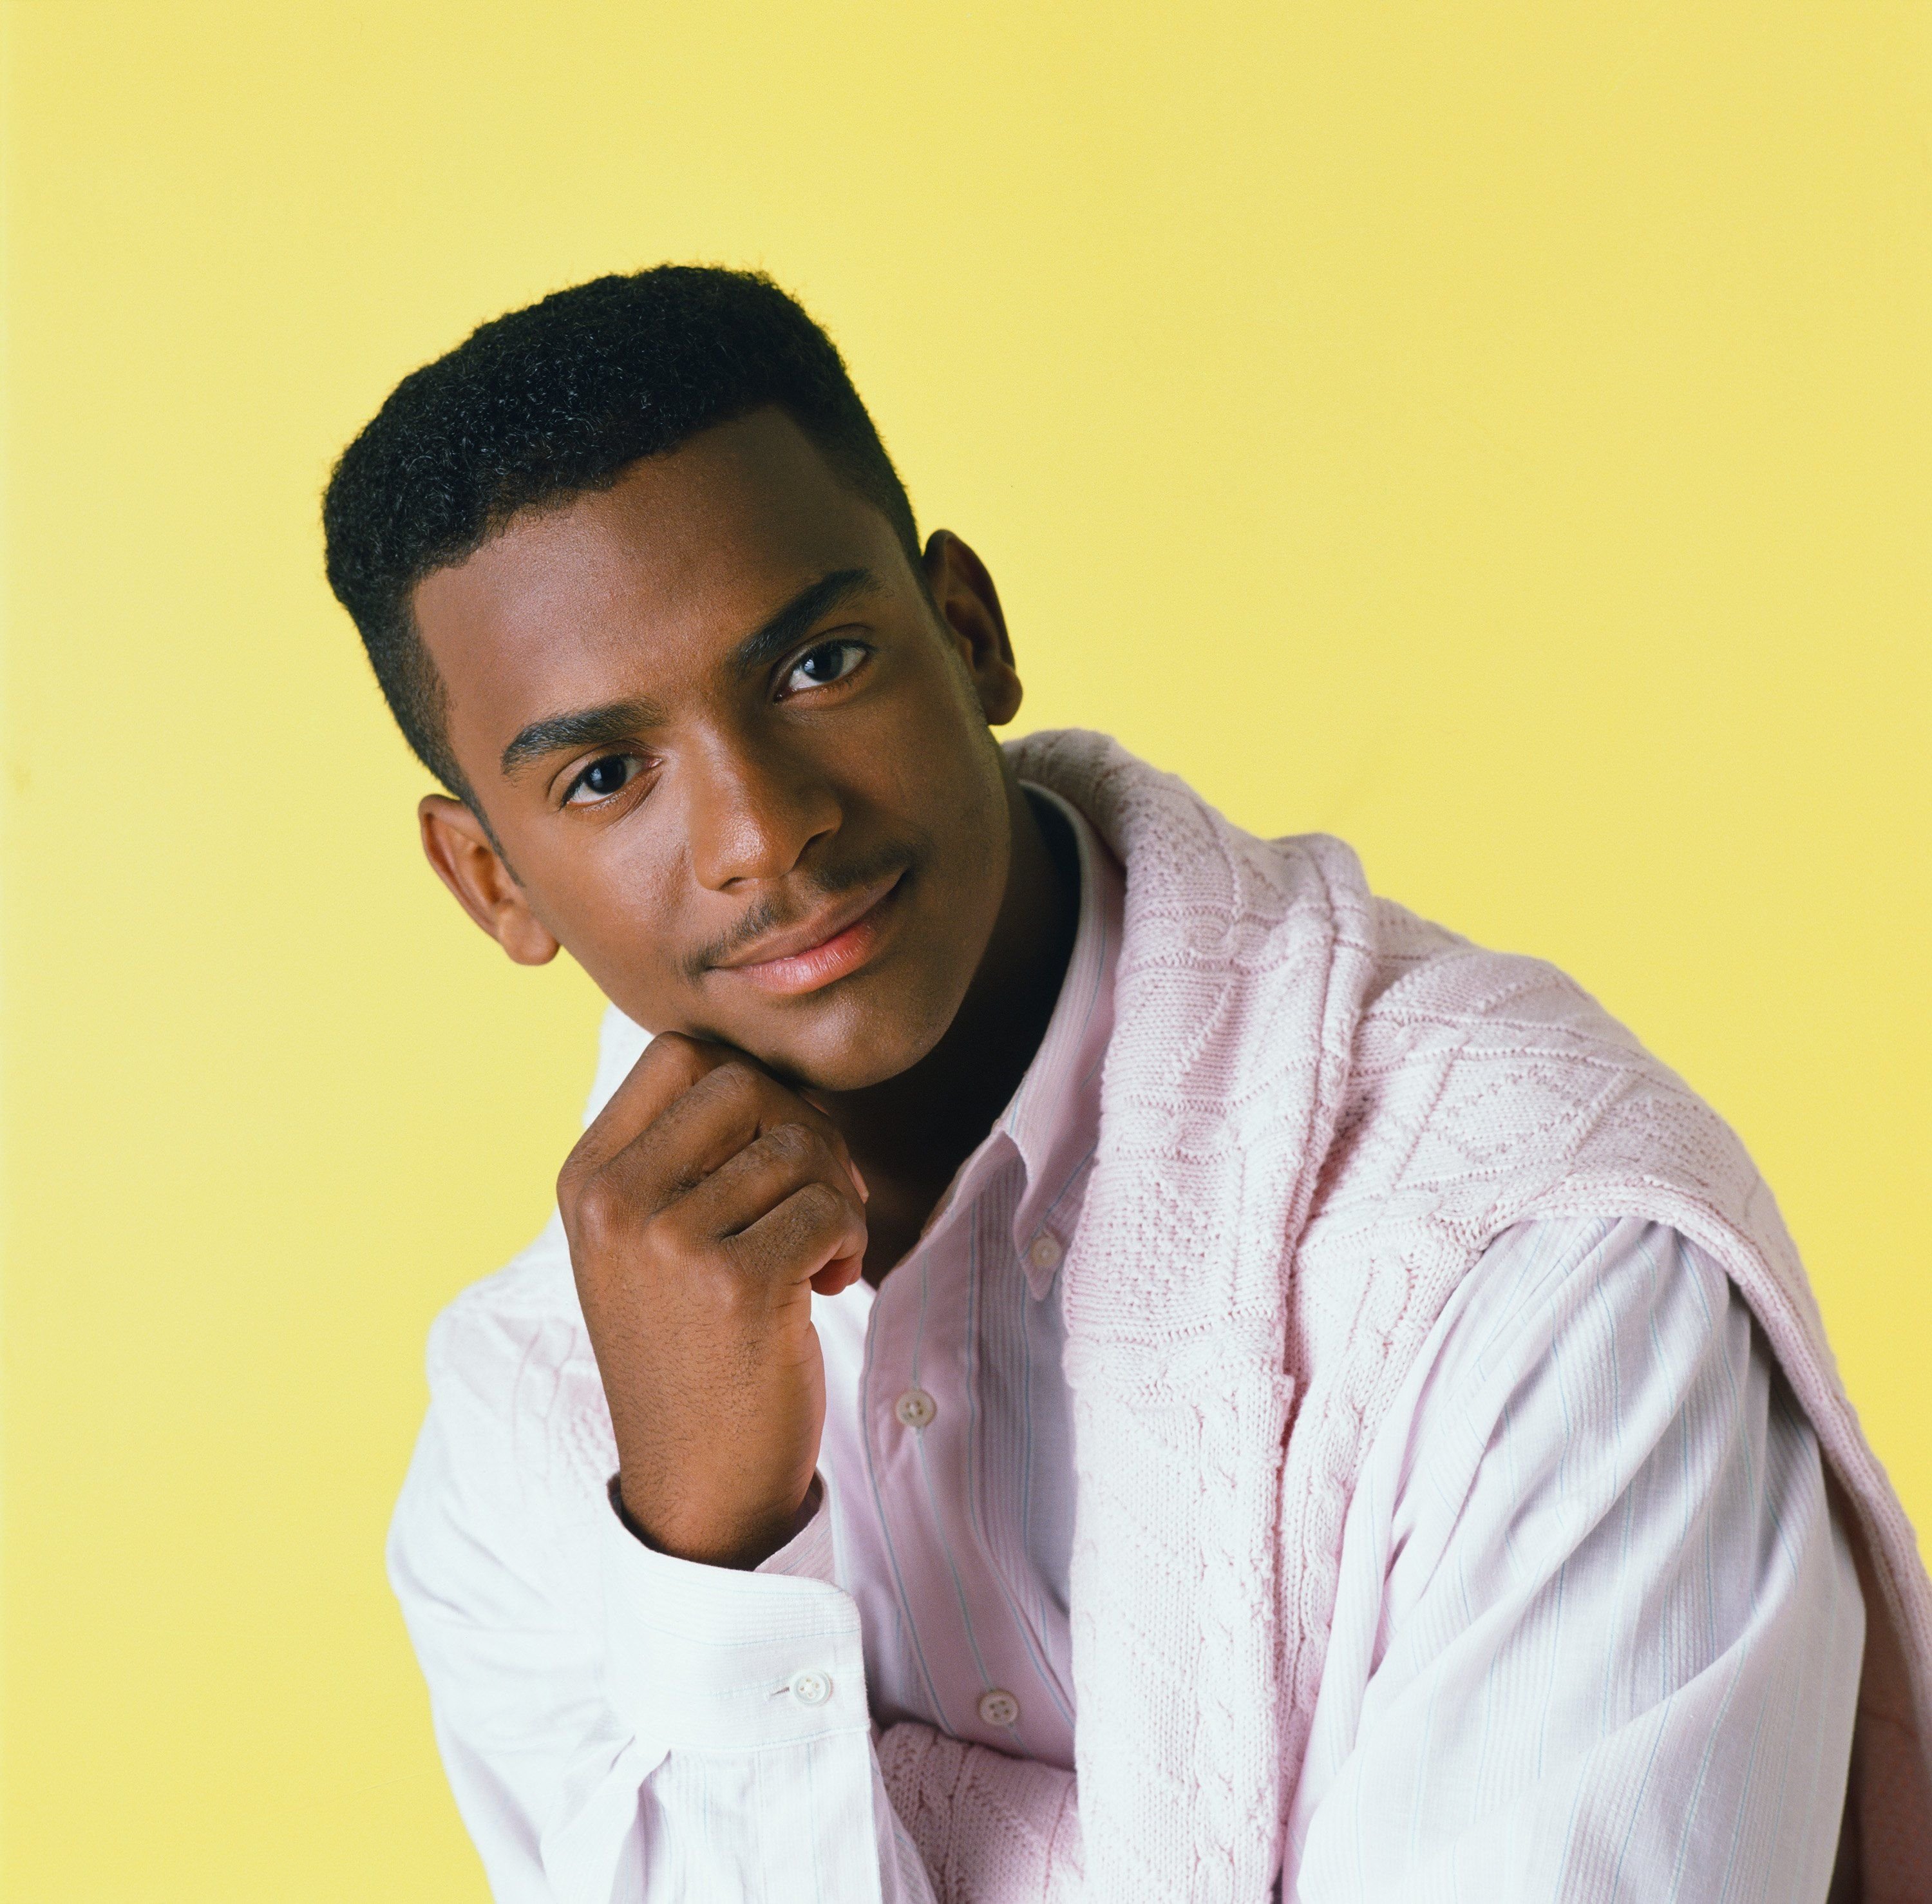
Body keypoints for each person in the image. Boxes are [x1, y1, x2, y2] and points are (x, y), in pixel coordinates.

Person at [322, 266, 1931, 1903]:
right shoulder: (535, 1430)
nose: (761, 828)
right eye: (607, 774)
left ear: (969, 633)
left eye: (818, 664)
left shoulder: (1528, 1253)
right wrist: (708, 1558)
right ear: (491, 880)